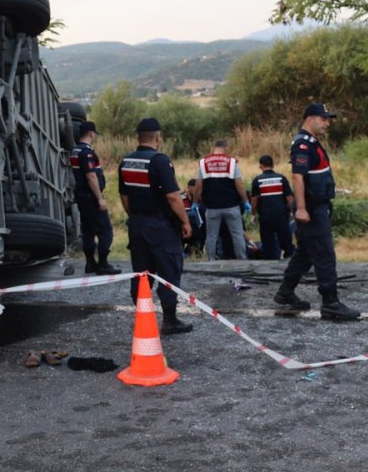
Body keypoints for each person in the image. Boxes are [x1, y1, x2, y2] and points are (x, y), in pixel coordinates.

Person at [273, 104, 360, 320]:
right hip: (310, 208)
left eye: (328, 119)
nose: (327, 123)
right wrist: (302, 208)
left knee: (305, 252)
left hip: (317, 205)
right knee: (324, 253)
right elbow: (297, 177)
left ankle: (285, 292)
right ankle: (330, 303)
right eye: (323, 119)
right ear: (310, 119)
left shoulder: (312, 142)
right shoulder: (302, 144)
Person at [119, 118, 193, 335]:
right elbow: (173, 196)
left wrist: (135, 217)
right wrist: (185, 221)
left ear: (138, 137)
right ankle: (169, 320)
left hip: (137, 224)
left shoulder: (126, 162)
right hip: (160, 226)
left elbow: (124, 196)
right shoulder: (160, 161)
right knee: (169, 270)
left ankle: (144, 319)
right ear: (158, 137)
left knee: (142, 274)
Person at [68, 121, 120, 275]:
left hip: (81, 197)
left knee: (88, 231)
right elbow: (91, 176)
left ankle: (90, 263)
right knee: (106, 231)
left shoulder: (75, 151)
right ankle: (103, 264)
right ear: (91, 134)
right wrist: (100, 198)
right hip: (91, 197)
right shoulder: (87, 152)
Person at [194, 139, 250, 260]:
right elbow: (239, 184)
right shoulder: (232, 162)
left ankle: (211, 260)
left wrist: (195, 202)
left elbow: (198, 185)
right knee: (237, 234)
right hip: (232, 205)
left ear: (214, 147)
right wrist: (245, 200)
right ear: (226, 147)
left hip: (212, 207)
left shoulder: (203, 162)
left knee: (211, 236)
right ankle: (242, 260)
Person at [250, 154, 295, 260]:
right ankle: (289, 259)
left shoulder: (257, 180)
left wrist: (253, 214)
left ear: (261, 166)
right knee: (286, 240)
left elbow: (254, 200)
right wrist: (292, 211)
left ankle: (270, 261)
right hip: (281, 215)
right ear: (273, 165)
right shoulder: (281, 178)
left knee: (268, 243)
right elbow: (289, 197)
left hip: (265, 217)